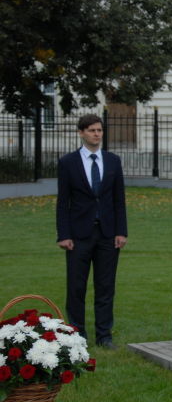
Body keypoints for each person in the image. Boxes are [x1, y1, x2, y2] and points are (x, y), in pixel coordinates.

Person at [57, 114, 128, 349]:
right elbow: (63, 202)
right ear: (81, 133)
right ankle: (77, 335)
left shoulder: (113, 161)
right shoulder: (68, 162)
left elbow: (119, 199)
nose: (97, 134)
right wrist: (63, 234)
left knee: (105, 287)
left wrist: (121, 231)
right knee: (76, 287)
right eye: (91, 130)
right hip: (78, 235)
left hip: (108, 233)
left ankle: (104, 336)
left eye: (99, 130)